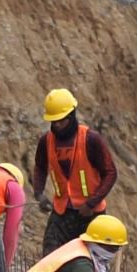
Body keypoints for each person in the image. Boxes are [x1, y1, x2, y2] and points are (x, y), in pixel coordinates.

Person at [31, 88, 119, 255]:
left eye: (61, 121)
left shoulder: (91, 140)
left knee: (93, 263)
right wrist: (39, 194)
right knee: (50, 260)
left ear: (71, 116)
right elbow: (40, 167)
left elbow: (110, 173)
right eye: (53, 121)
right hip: (62, 212)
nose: (57, 125)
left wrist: (91, 203)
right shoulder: (46, 141)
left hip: (92, 215)